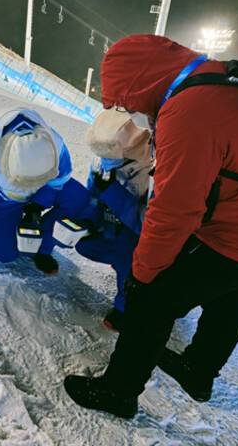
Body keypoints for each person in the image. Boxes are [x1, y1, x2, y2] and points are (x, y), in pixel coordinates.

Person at [64, 34, 238, 419]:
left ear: (139, 82)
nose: (131, 112)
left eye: (125, 101)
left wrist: (144, 276)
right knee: (231, 296)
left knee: (154, 302)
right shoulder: (221, 75)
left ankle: (118, 392)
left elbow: (173, 212)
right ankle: (199, 371)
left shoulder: (189, 110)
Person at [0, 108, 89, 274]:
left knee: (79, 199)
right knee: (2, 254)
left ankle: (43, 247)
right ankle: (10, 231)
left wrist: (38, 205)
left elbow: (60, 178)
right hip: (8, 198)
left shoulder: (54, 142)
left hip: (46, 187)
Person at [75, 108, 153, 332]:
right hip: (110, 227)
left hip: (133, 238)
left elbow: (147, 225)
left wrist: (114, 193)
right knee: (82, 242)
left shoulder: (154, 173)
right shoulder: (104, 158)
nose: (105, 161)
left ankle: (125, 308)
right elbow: (92, 193)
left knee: (129, 259)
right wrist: (88, 216)